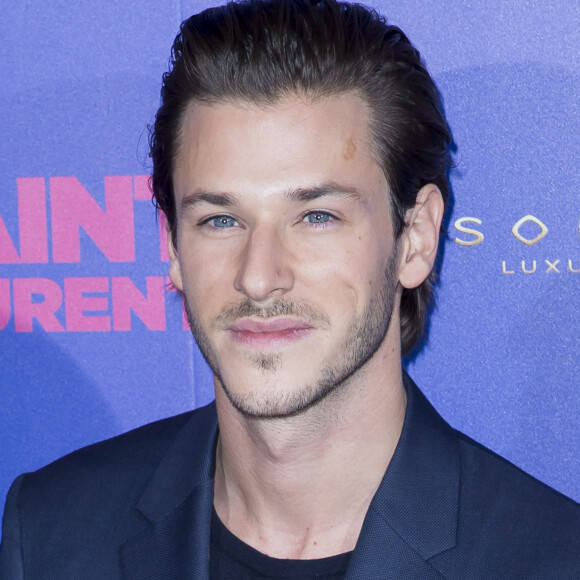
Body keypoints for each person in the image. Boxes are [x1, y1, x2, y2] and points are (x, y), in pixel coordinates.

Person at [1, 0, 579, 578]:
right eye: (220, 220)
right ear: (173, 247)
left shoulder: (551, 558)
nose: (258, 276)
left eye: (317, 216)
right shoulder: (53, 531)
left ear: (416, 238)